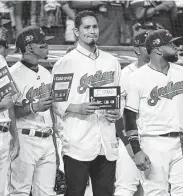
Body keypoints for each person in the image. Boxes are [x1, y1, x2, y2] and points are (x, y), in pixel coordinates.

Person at [52, 10, 124, 196]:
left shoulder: (111, 61)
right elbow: (56, 102)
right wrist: (78, 107)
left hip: (106, 142)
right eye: (87, 27)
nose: (92, 31)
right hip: (78, 143)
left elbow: (120, 95)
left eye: (95, 27)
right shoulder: (65, 63)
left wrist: (118, 111)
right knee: (75, 192)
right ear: (76, 32)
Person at [125, 28, 183, 196]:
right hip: (153, 143)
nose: (177, 47)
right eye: (171, 44)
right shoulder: (137, 77)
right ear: (158, 49)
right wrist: (136, 150)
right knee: (156, 193)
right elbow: (129, 117)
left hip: (179, 143)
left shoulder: (181, 72)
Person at [8, 26, 57, 196]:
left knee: (47, 193)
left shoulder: (46, 73)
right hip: (24, 138)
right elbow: (8, 111)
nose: (46, 47)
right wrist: (32, 107)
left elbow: (52, 111)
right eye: (42, 44)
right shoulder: (13, 74)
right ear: (29, 47)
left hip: (47, 138)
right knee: (19, 191)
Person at [0, 19, 19, 196]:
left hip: (4, 134)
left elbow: (10, 103)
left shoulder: (2, 61)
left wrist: (14, 135)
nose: (4, 29)